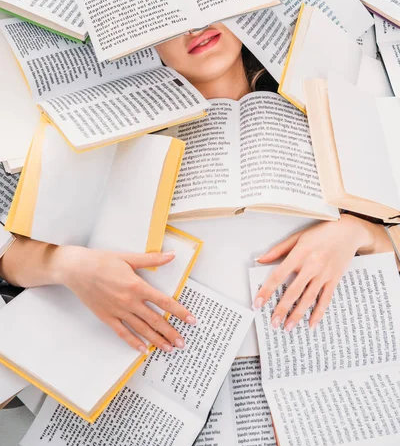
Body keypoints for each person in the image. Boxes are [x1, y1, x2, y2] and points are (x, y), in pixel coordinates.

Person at [0, 23, 393, 351]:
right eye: (165, 20)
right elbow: (9, 253)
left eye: (209, 0)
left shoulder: (336, 108)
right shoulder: (105, 142)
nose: (194, 26)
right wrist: (72, 267)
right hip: (168, 374)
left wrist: (359, 232)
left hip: (343, 360)